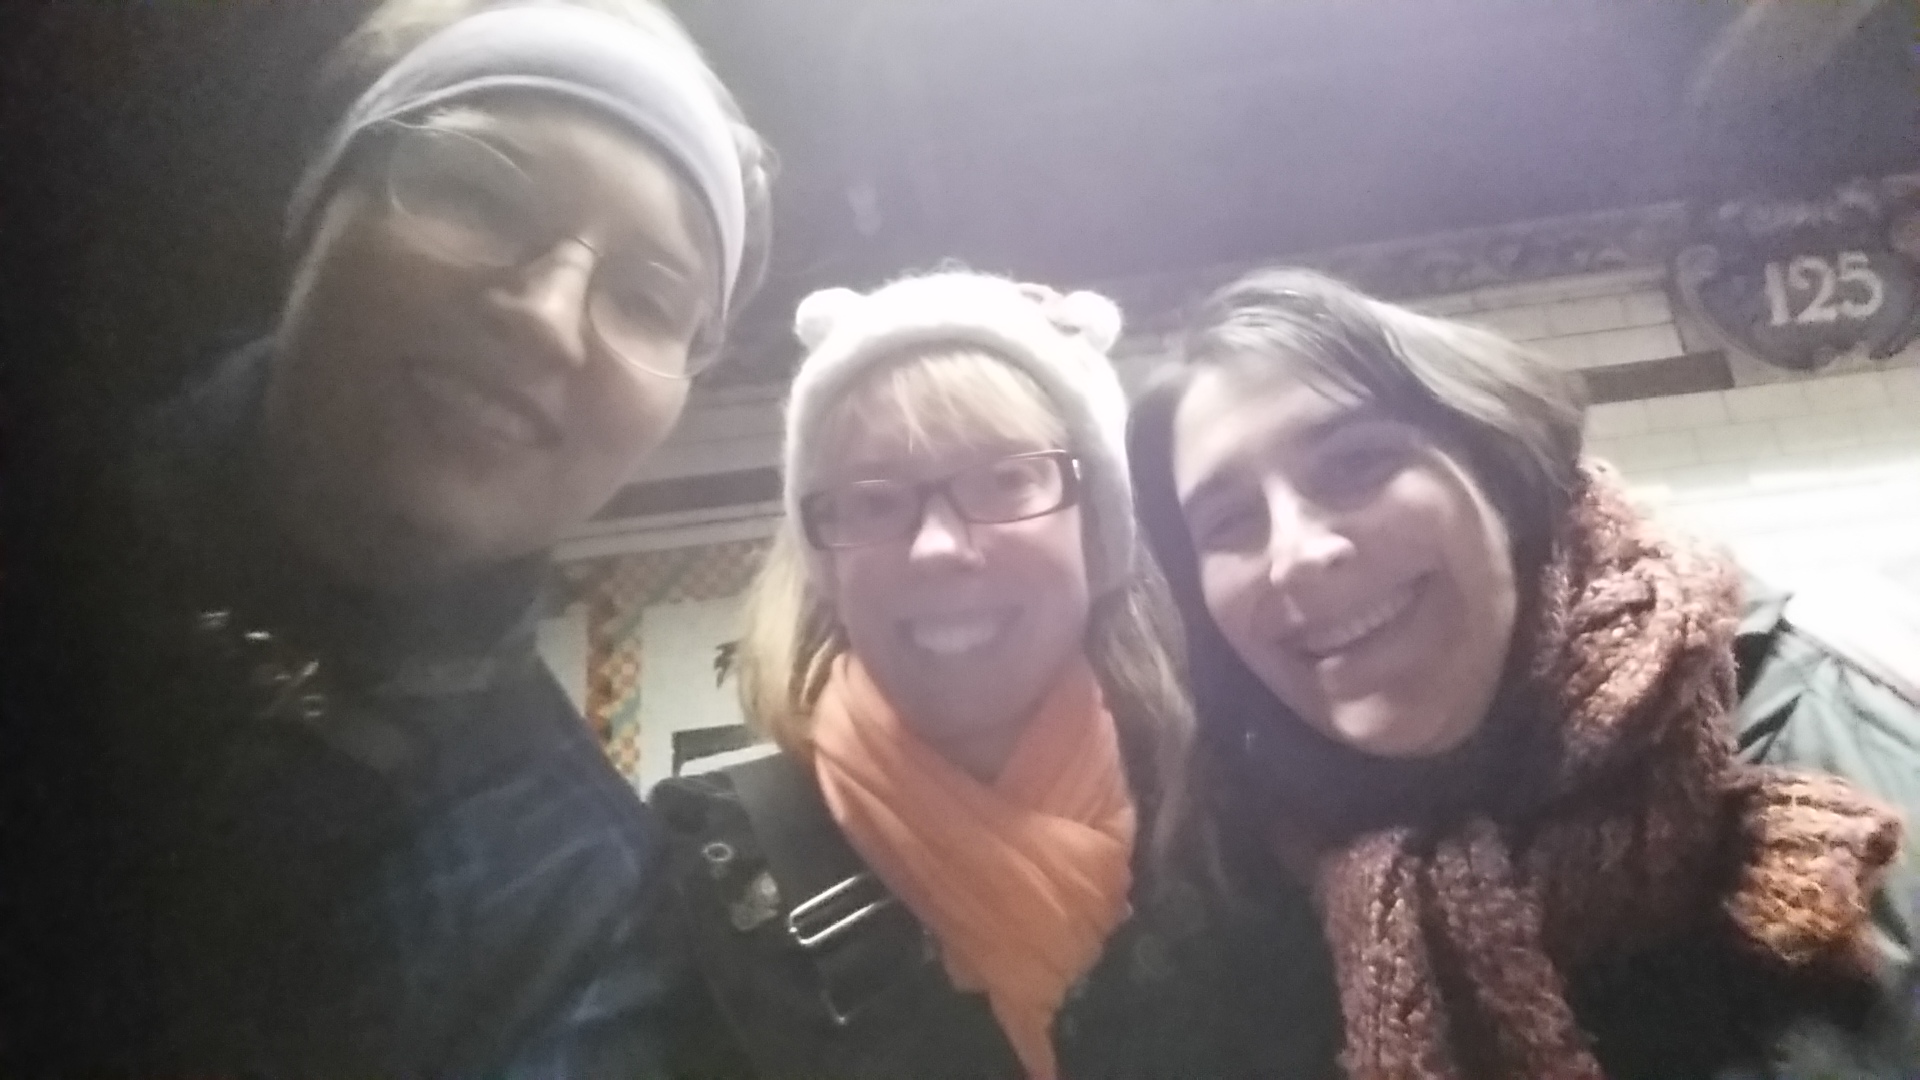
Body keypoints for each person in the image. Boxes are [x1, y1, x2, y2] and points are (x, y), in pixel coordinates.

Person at [0, 0, 771, 1074]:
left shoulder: (581, 913)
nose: (547, 312)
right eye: (477, 192)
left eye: (646, 296)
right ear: (315, 202)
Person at [1126, 267, 1920, 1079]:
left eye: (1358, 463)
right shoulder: (1231, 916)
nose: (1297, 554)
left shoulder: (1847, 719)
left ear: (1499, 473)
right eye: (1230, 521)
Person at [650, 270, 1335, 1079]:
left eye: (1007, 480)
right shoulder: (705, 874)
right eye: (874, 501)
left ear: (1098, 531)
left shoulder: (1256, 822)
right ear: (823, 563)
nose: (939, 547)